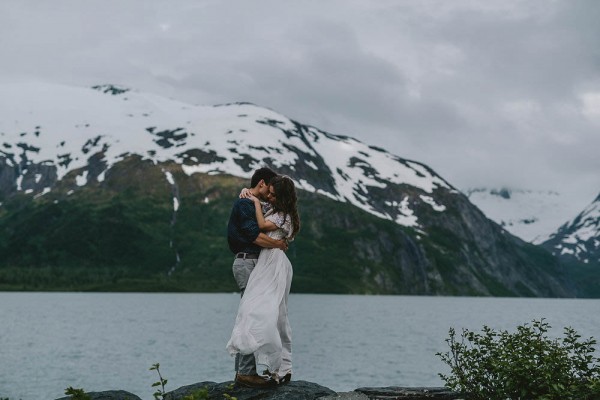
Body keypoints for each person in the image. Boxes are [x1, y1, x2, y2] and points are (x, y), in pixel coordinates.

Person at [227, 175, 300, 388]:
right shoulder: (246, 203)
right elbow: (255, 236)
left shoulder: (274, 209)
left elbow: (262, 224)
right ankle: (246, 372)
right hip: (249, 263)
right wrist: (277, 244)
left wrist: (254, 198)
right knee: (252, 312)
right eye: (269, 191)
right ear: (262, 183)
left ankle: (249, 371)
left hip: (263, 264)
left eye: (274, 195)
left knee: (257, 313)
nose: (270, 196)